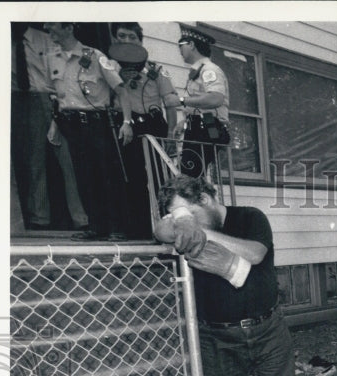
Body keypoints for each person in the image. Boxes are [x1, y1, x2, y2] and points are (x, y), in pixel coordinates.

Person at [155, 175, 315, 376]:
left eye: (188, 213)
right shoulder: (181, 226)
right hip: (216, 334)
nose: (183, 223)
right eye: (178, 217)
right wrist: (180, 221)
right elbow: (159, 231)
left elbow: (255, 254)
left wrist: (200, 231)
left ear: (206, 199)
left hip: (268, 327)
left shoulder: (249, 217)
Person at [44, 22, 133, 241]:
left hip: (96, 123)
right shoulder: (51, 58)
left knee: (105, 175)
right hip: (70, 124)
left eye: (53, 26)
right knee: (83, 176)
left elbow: (121, 90)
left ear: (68, 28)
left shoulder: (95, 56)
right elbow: (56, 96)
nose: (48, 29)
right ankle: (95, 227)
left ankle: (116, 227)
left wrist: (127, 122)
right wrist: (54, 124)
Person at [11, 22, 88, 232]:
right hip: (22, 101)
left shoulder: (44, 38)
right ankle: (39, 218)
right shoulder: (4, 41)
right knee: (34, 160)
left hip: (53, 97)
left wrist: (60, 102)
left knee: (67, 159)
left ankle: (81, 218)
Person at [109, 23, 180, 239]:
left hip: (152, 125)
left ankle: (164, 229)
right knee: (130, 179)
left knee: (160, 180)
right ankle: (136, 229)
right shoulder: (109, 68)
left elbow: (170, 103)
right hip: (124, 125)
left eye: (132, 37)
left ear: (141, 41)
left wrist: (169, 136)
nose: (127, 41)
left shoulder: (155, 70)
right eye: (122, 36)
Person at [173, 27, 230, 180]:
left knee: (189, 177)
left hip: (206, 128)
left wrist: (181, 100)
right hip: (197, 127)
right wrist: (184, 121)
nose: (179, 49)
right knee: (192, 177)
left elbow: (216, 98)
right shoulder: (197, 71)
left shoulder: (209, 70)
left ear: (191, 44)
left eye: (181, 45)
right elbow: (199, 101)